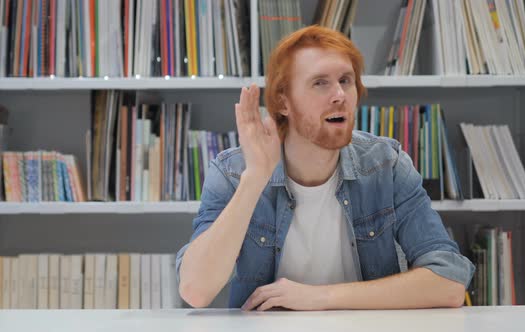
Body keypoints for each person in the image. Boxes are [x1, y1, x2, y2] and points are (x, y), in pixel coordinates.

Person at [176, 25, 474, 311]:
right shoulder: (233, 171)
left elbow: (449, 281)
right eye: (320, 83)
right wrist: (254, 179)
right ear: (283, 101)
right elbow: (195, 290)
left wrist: (320, 297)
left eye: (346, 81)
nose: (340, 95)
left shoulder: (385, 164)